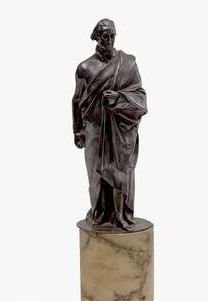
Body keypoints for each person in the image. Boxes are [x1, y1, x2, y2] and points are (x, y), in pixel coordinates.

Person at [72, 19, 147, 230]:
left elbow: (140, 97)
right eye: (105, 35)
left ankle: (121, 215)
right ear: (96, 37)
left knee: (120, 174)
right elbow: (77, 100)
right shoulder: (85, 67)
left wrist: (117, 99)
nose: (109, 40)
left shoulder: (128, 64)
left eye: (112, 35)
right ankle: (99, 214)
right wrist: (77, 130)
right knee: (96, 176)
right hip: (94, 130)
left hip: (120, 131)